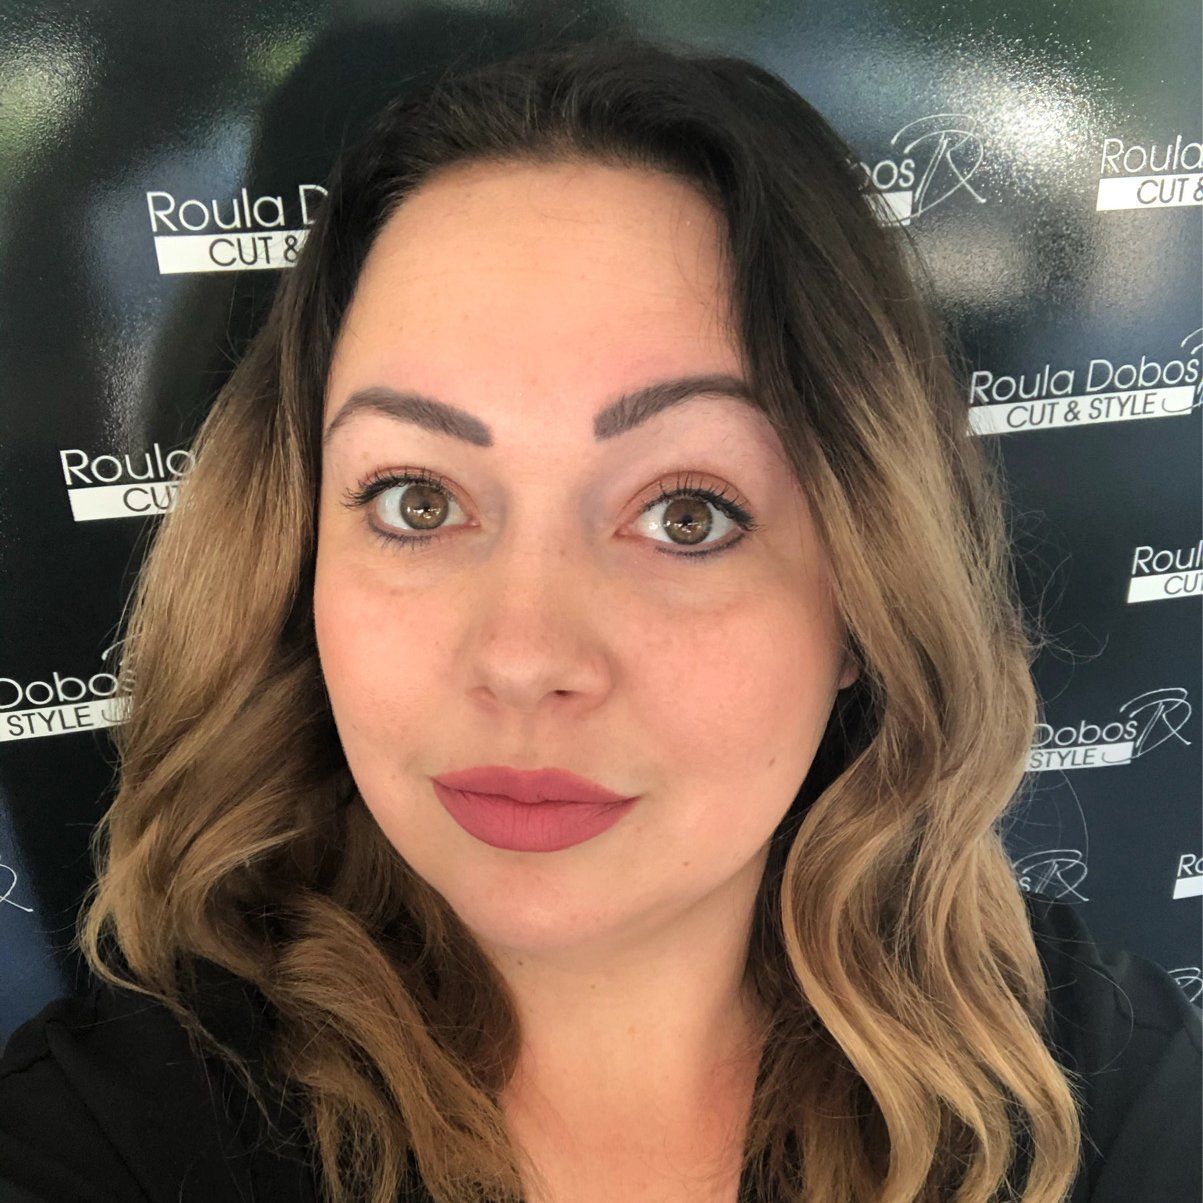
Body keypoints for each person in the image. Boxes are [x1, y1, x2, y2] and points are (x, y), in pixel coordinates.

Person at [0, 34, 1198, 1203]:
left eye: (687, 514)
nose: (523, 657)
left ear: (863, 595)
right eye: (417, 501)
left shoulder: (1099, 1087)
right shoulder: (108, 1143)